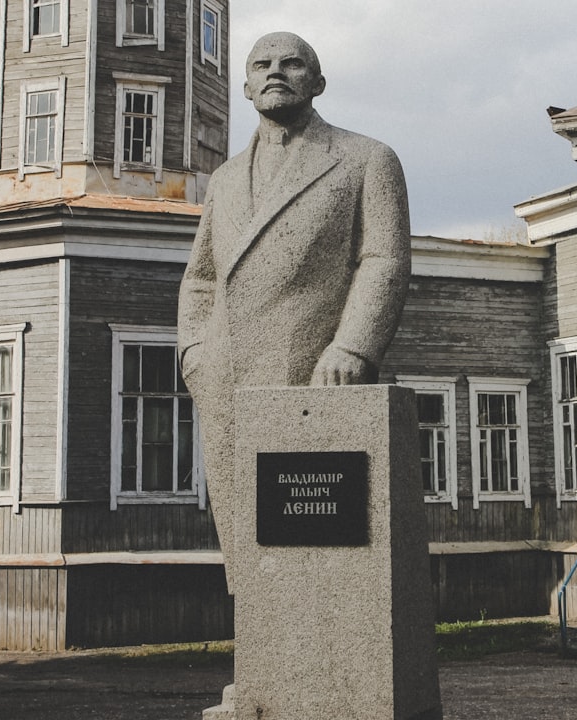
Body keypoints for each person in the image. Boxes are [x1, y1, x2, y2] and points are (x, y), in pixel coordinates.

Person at [177, 32, 411, 585]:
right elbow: (202, 277)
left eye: (292, 64)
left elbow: (383, 258)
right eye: (262, 64)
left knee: (321, 554)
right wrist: (195, 352)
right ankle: (262, 669)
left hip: (315, 371)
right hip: (227, 376)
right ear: (246, 85)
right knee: (246, 547)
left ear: (319, 82)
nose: (275, 72)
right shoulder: (227, 179)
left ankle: (328, 664)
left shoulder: (365, 159)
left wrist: (353, 345)